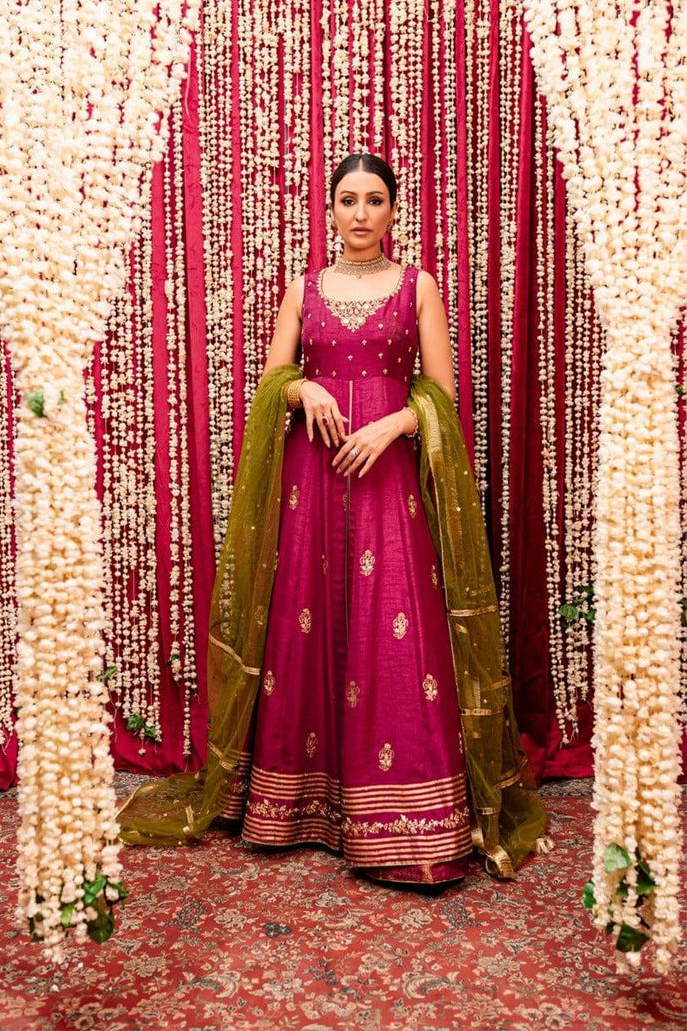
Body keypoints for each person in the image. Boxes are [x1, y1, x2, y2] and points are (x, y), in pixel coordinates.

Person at [116, 153, 550, 885]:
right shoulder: (304, 289)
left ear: (393, 211)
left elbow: (443, 397)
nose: (360, 214)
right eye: (348, 200)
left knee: (395, 631)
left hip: (389, 483)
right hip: (312, 484)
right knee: (305, 623)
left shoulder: (417, 287)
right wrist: (301, 389)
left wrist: (395, 424)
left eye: (374, 200)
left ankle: (408, 825)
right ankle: (298, 809)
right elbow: (270, 384)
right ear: (330, 210)